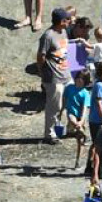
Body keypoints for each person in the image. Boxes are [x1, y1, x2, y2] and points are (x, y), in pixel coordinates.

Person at [36, 8, 72, 144]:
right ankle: (49, 134)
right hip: (54, 78)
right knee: (54, 107)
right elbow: (41, 56)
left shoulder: (63, 32)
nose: (70, 21)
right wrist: (42, 72)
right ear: (61, 21)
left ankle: (62, 129)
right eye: (67, 19)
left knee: (66, 104)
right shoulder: (48, 36)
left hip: (66, 75)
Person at [63, 70, 91, 168]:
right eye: (78, 77)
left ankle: (78, 161)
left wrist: (82, 121)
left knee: (80, 141)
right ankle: (80, 129)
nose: (79, 80)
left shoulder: (85, 93)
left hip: (81, 117)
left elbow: (85, 109)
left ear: (85, 81)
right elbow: (64, 99)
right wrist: (61, 110)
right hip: (71, 113)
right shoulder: (69, 88)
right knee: (71, 118)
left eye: (82, 79)